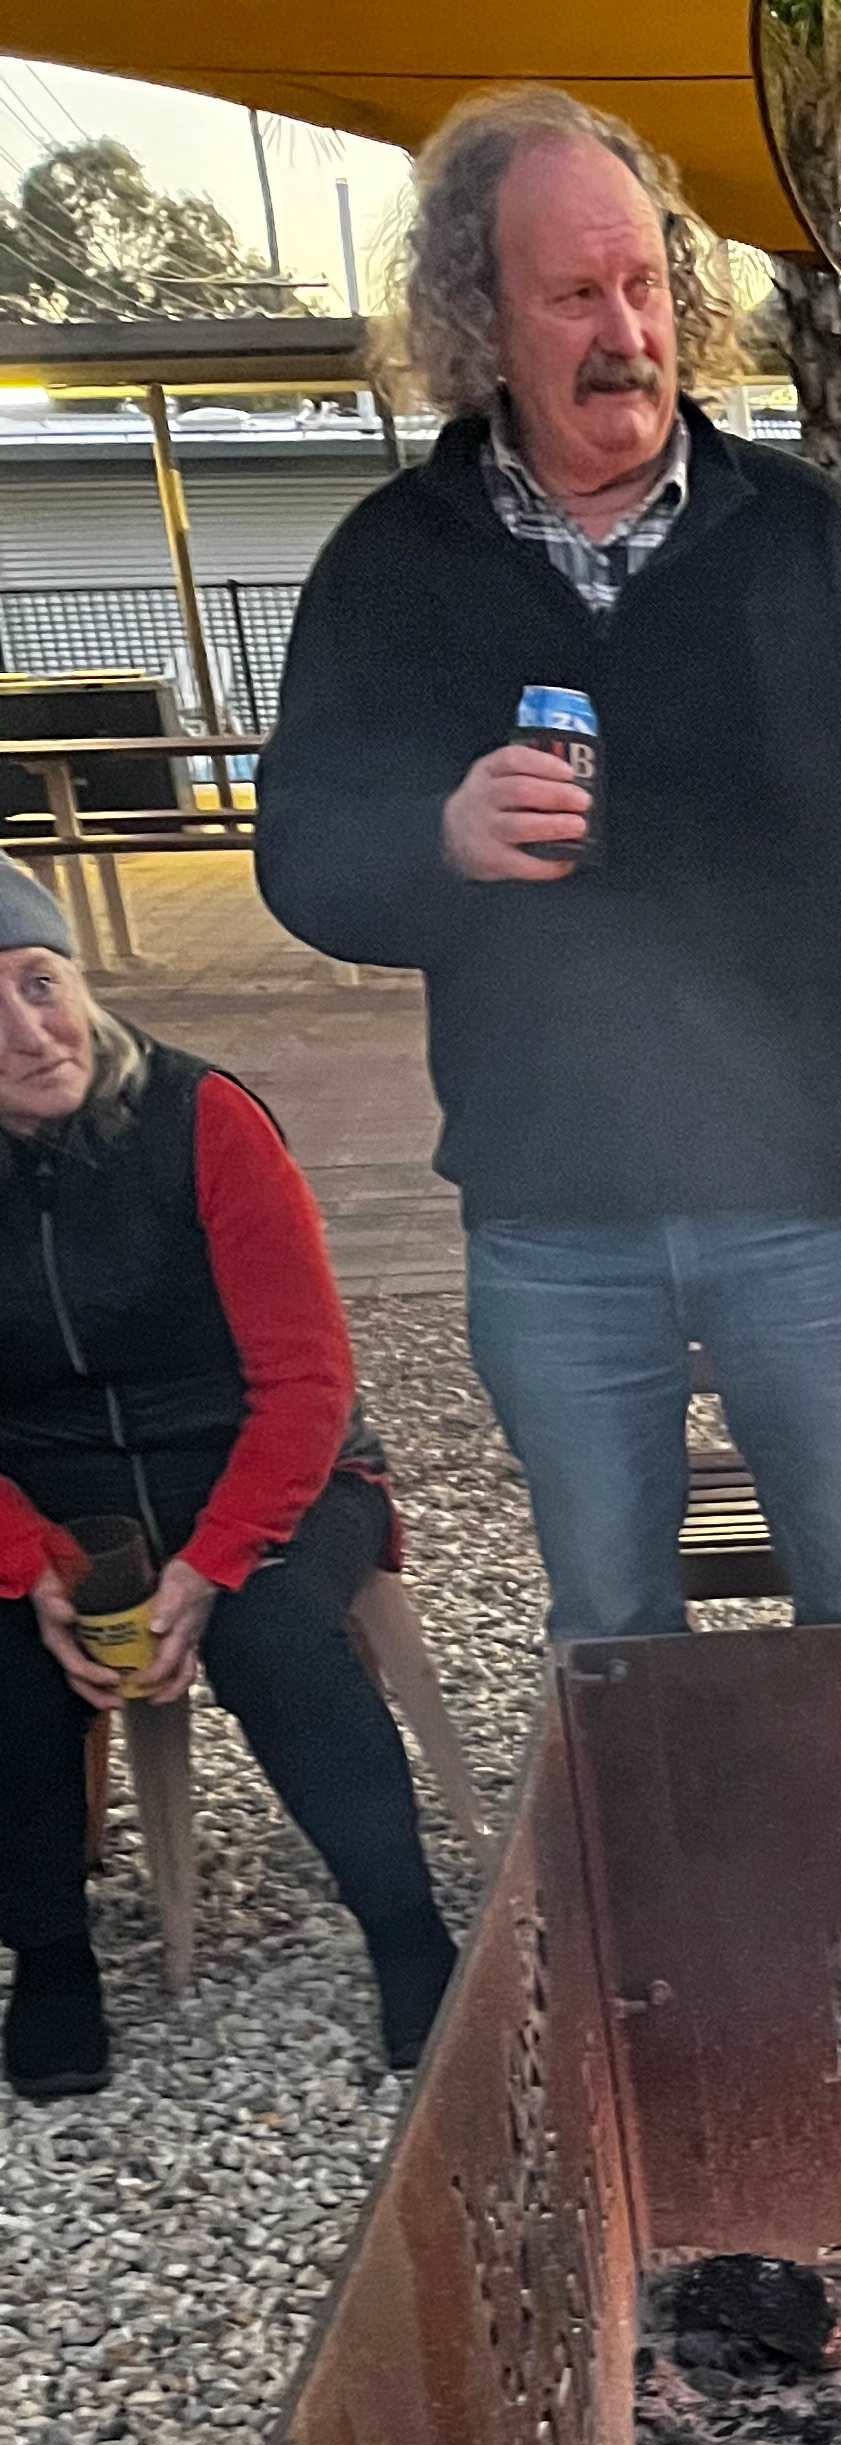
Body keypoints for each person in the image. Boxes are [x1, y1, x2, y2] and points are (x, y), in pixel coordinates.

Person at [257, 85, 841, 1647]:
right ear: (482, 320)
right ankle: (668, 1828)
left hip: (802, 1194)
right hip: (552, 1213)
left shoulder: (802, 537)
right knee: (613, 1628)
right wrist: (439, 840)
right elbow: (301, 853)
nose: (626, 333)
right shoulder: (392, 562)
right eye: (575, 295)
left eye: (645, 284)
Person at [0, 867, 455, 2101]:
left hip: (266, 1462)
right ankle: (49, 1955)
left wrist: (215, 1557)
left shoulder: (201, 1115)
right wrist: (25, 1561)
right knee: (6, 1657)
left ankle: (406, 1926)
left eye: (40, 985)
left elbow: (307, 1380)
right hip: (52, 1484)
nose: (31, 1034)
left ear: (77, 979)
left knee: (273, 1630)